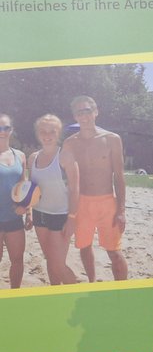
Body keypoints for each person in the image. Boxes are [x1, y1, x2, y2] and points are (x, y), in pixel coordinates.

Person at [62, 95, 127, 283]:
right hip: (82, 203)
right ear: (75, 116)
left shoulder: (112, 139)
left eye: (87, 110)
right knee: (84, 246)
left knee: (114, 252)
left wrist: (121, 210)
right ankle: (92, 282)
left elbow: (119, 176)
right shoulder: (70, 143)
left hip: (107, 202)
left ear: (96, 112)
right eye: (79, 112)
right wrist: (70, 213)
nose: (84, 116)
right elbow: (68, 180)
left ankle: (123, 290)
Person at [28, 115, 76, 286]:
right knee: (49, 260)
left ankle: (77, 295)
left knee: (59, 264)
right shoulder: (33, 158)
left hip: (60, 215)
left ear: (58, 133)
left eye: (52, 131)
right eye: (43, 131)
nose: (47, 135)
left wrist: (72, 218)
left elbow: (75, 189)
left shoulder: (65, 156)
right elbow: (31, 189)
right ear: (37, 133)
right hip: (39, 214)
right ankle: (55, 294)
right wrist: (28, 212)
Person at [0, 115, 26, 290]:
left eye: (6, 128)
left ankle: (14, 295)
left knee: (17, 259)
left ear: (12, 130)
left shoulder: (20, 156)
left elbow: (23, 186)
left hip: (14, 218)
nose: (2, 132)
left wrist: (26, 209)